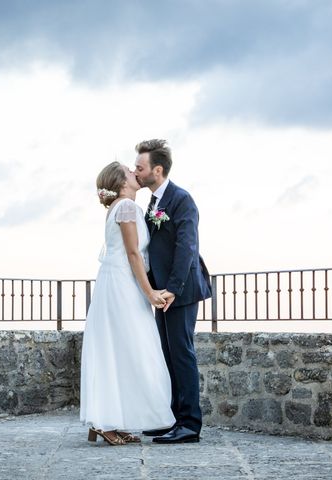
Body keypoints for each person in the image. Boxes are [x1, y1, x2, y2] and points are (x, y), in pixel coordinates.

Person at [80, 161, 176, 446]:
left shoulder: (119, 208)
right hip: (123, 286)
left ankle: (110, 420)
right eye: (129, 170)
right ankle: (105, 422)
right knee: (132, 350)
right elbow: (133, 254)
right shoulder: (127, 207)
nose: (135, 172)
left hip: (114, 283)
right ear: (121, 182)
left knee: (117, 351)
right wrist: (150, 293)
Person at [134, 139, 212, 444]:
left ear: (158, 169)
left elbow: (187, 248)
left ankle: (190, 424)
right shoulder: (153, 202)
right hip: (162, 292)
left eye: (140, 167)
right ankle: (172, 419)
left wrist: (172, 290)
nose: (136, 171)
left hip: (180, 292)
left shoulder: (182, 199)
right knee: (167, 355)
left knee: (182, 355)